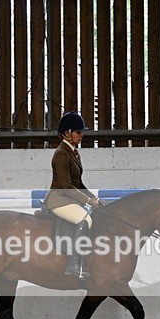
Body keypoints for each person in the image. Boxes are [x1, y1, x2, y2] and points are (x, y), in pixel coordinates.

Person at [44, 111, 106, 278]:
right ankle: (73, 263)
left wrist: (95, 198)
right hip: (59, 199)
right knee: (85, 219)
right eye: (78, 132)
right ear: (67, 133)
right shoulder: (61, 153)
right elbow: (66, 186)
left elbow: (78, 183)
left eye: (81, 132)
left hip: (68, 198)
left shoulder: (73, 152)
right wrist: (88, 201)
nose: (82, 135)